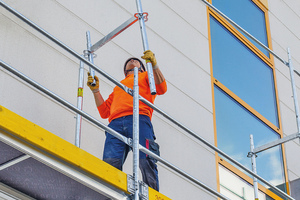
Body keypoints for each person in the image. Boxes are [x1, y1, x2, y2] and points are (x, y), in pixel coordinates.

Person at [87, 50, 167, 191]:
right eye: (129, 61)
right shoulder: (119, 86)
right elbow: (104, 111)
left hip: (140, 118)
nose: (132, 60)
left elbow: (161, 88)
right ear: (125, 71)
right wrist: (96, 91)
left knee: (146, 160)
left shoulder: (146, 77)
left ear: (142, 67)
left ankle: (153, 195)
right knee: (110, 162)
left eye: (136, 60)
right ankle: (111, 193)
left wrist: (154, 65)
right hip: (115, 123)